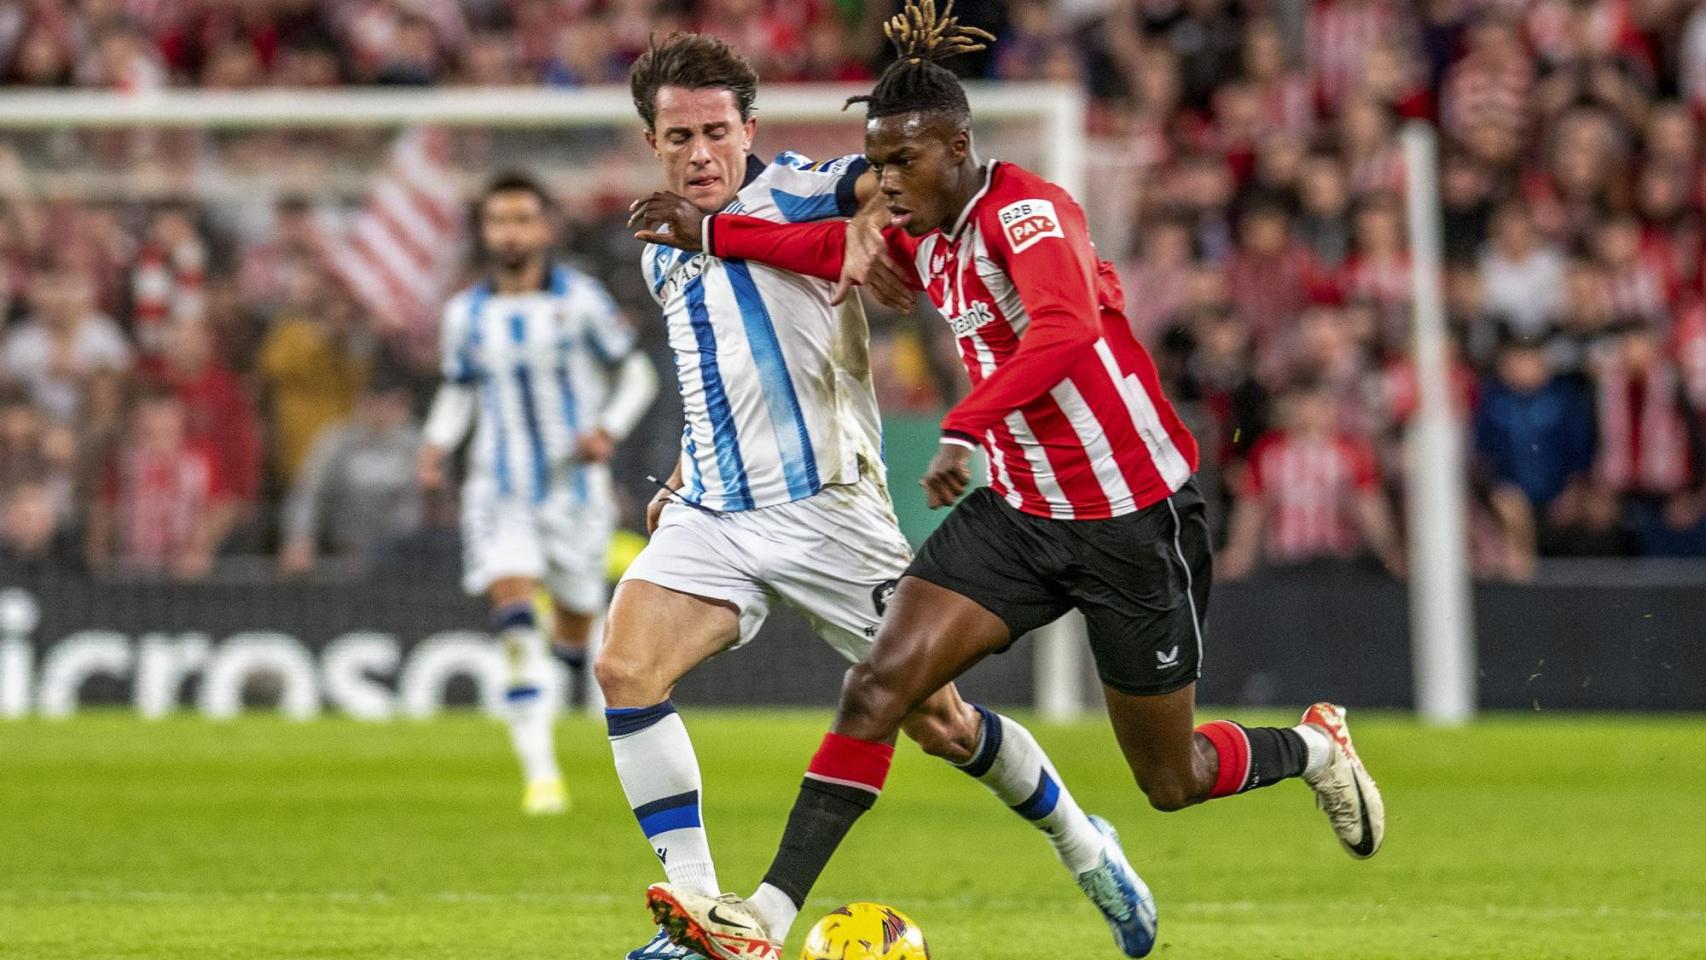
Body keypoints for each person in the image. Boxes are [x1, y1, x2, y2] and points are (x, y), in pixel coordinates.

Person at [630, 5, 1386, 957]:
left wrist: (963, 427)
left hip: (1130, 517)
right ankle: (764, 917)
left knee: (1172, 776)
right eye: (878, 165)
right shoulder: (924, 235)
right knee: (879, 688)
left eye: (903, 165)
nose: (885, 187)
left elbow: (1064, 332)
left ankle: (1317, 746)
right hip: (1021, 514)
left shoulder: (1027, 208)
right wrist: (708, 234)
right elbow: (822, 248)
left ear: (958, 147)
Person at [606, 32, 1127, 960]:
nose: (699, 154)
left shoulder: (802, 184)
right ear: (652, 142)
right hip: (716, 513)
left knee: (943, 723)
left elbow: (890, 180)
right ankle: (701, 921)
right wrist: (689, 467)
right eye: (678, 136)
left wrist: (865, 222)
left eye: (716, 131)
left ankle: (1084, 845)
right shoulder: (659, 243)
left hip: (832, 516)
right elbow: (709, 369)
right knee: (625, 668)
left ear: (748, 127)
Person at [417, 172, 660, 816]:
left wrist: (606, 430)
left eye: (523, 219)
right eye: (499, 220)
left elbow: (635, 372)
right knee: (516, 617)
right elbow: (458, 388)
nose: (511, 232)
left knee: (577, 622)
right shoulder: (464, 313)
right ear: (484, 231)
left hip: (574, 493)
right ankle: (541, 776)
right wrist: (438, 443)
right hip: (497, 490)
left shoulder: (579, 301)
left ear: (546, 228)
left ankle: (569, 673)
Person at [278, 377, 423, 576]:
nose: (382, 412)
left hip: (406, 555)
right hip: (344, 551)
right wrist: (299, 538)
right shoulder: (337, 442)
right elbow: (309, 494)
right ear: (362, 404)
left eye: (392, 404)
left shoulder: (419, 445)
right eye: (374, 404)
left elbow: (427, 503)